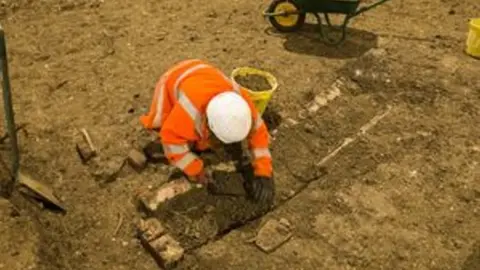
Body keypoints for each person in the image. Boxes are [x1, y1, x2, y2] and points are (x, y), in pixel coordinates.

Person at [139, 59, 274, 205]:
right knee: (166, 125)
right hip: (175, 78)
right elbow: (171, 141)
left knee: (198, 140)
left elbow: (259, 135)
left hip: (205, 74)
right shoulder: (190, 110)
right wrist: (196, 170)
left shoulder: (243, 108)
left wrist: (263, 172)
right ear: (208, 124)